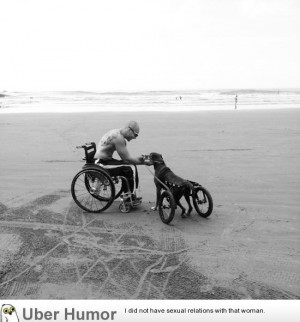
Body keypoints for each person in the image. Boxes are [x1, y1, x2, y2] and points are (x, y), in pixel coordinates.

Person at [94, 120, 151, 199]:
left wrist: (141, 159)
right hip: (102, 163)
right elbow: (127, 159)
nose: (135, 138)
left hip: (103, 160)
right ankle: (130, 197)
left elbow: (126, 159)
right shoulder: (119, 138)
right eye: (135, 135)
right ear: (129, 130)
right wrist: (144, 162)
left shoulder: (116, 132)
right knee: (130, 167)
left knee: (126, 167)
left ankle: (127, 193)